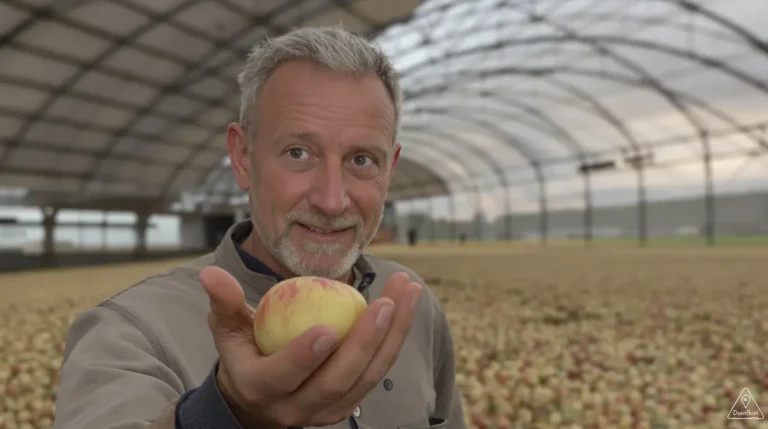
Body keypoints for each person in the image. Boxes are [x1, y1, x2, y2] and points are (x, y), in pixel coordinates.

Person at [52, 26, 465, 429]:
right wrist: (224, 414)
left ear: (389, 170)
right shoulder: (132, 332)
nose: (332, 199)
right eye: (298, 152)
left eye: (361, 160)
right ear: (243, 157)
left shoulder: (411, 305)